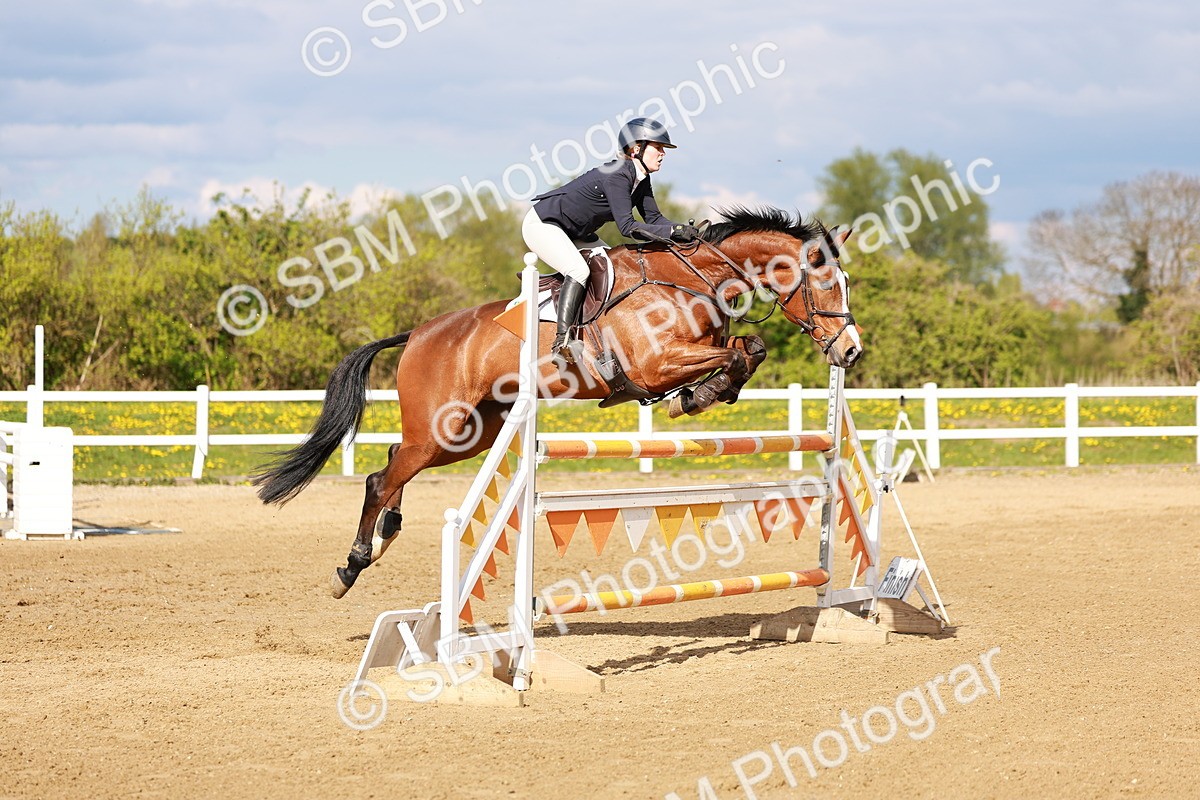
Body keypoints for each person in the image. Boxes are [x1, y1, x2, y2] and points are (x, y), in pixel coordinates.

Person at [522, 116, 701, 368]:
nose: (663, 154)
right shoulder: (618, 175)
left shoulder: (641, 179)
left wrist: (685, 232)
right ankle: (562, 343)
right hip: (544, 224)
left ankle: (601, 338)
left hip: (577, 232)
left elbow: (655, 218)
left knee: (613, 270)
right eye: (658, 147)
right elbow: (627, 227)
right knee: (579, 270)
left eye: (663, 149)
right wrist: (672, 233)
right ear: (636, 148)